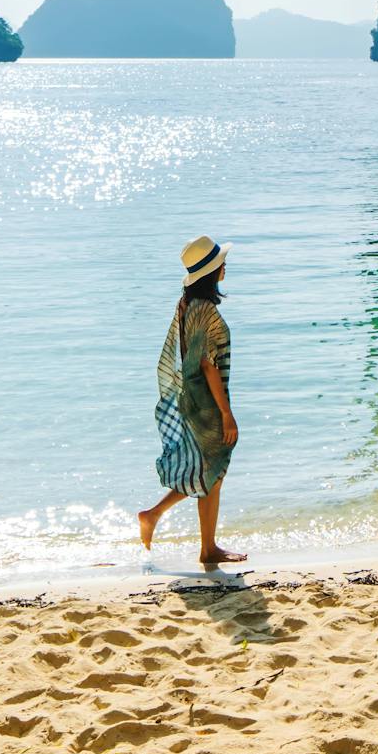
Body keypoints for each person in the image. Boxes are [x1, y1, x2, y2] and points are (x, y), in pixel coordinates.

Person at [138, 235, 244, 569]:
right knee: (212, 468)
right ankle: (200, 544)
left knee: (210, 469)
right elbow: (206, 364)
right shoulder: (204, 309)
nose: (225, 266)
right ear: (212, 273)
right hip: (205, 402)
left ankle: (185, 533)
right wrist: (226, 414)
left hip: (193, 398)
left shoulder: (186, 303)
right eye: (221, 264)